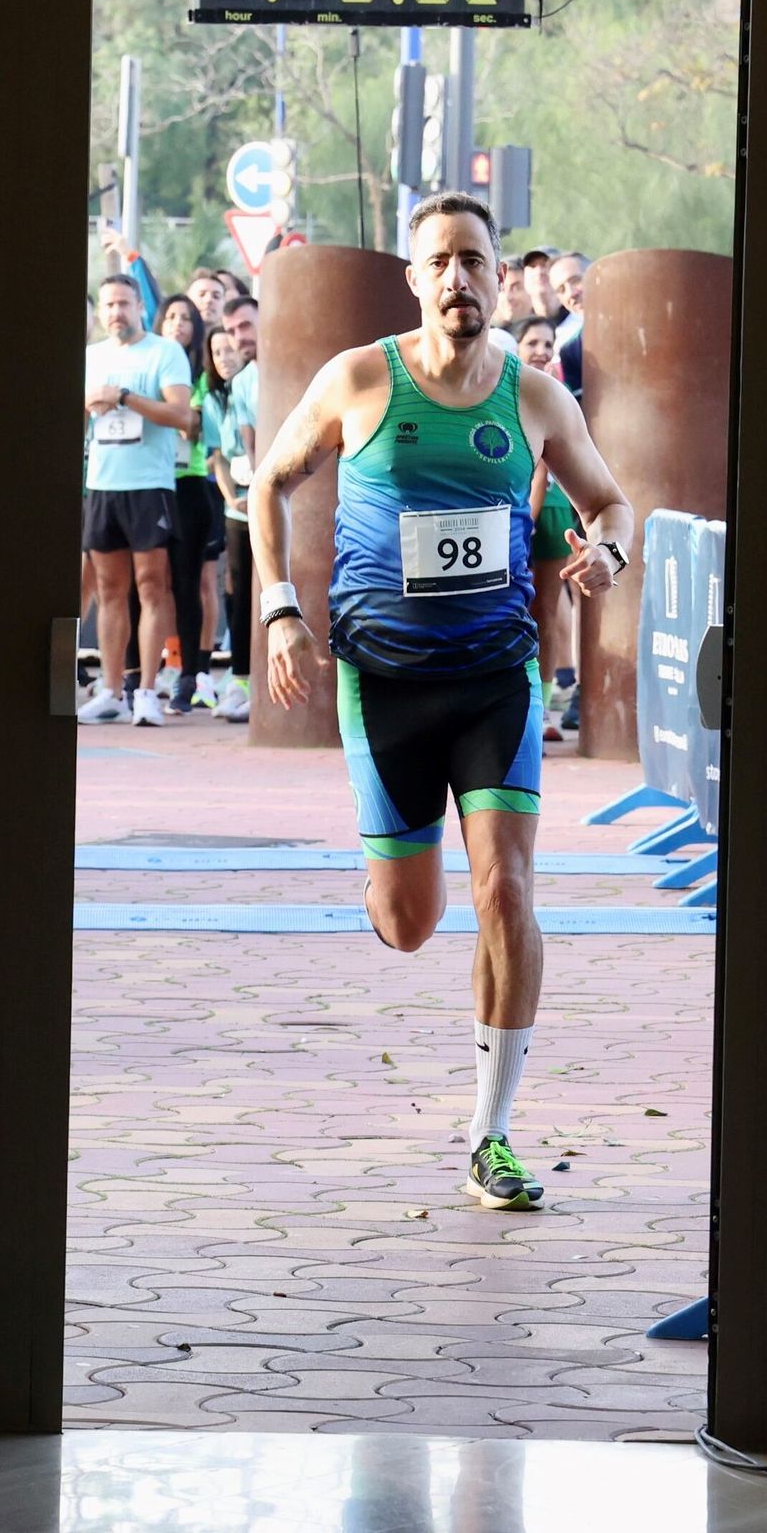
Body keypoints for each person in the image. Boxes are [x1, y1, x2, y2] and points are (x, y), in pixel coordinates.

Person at [250, 191, 633, 1212]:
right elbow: (268, 483)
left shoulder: (537, 395)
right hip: (383, 687)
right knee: (411, 923)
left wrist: (608, 546)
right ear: (414, 281)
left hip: (493, 682)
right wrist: (282, 608)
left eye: (476, 260)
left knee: (506, 888)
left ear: (501, 276)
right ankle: (388, 875)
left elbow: (609, 500)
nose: (459, 278)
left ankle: (490, 1133)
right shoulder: (357, 379)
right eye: (440, 263)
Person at [78, 275, 193, 725]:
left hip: (149, 484)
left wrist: (123, 396)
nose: (115, 313)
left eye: (123, 303)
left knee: (151, 585)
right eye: (108, 305)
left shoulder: (164, 352)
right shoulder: (91, 357)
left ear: (140, 305)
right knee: (108, 589)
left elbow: (182, 415)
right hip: (103, 484)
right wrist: (91, 402)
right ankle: (111, 690)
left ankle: (146, 689)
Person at [156, 293, 221, 713]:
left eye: (187, 318)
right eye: (172, 316)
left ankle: (192, 675)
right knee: (150, 584)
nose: (179, 324)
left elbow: (196, 426)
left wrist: (187, 417)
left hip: (193, 485)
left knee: (190, 583)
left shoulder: (201, 372)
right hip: (151, 484)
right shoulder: (149, 366)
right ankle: (156, 667)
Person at [516, 317, 577, 746]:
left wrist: (526, 524)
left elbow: (542, 472)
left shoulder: (554, 395)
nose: (540, 349)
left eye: (547, 342)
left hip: (546, 515)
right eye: (532, 341)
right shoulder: (498, 389)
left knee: (547, 615)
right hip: (507, 515)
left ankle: (541, 710)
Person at [213, 296, 262, 721]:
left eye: (246, 326)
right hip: (247, 505)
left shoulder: (296, 369)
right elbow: (243, 444)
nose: (239, 337)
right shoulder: (243, 382)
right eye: (232, 330)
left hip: (295, 505)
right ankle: (243, 680)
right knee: (240, 591)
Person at [547, 250, 588, 350]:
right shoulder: (565, 344)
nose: (571, 294)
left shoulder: (627, 313)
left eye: (575, 281)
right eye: (561, 290)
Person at [520, 246, 564, 326]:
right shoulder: (517, 328)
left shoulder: (579, 320)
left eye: (545, 265)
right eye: (532, 266)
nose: (539, 272)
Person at [497, 255, 533, 332]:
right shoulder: (489, 338)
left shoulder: (550, 335)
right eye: (502, 289)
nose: (508, 297)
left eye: (516, 288)